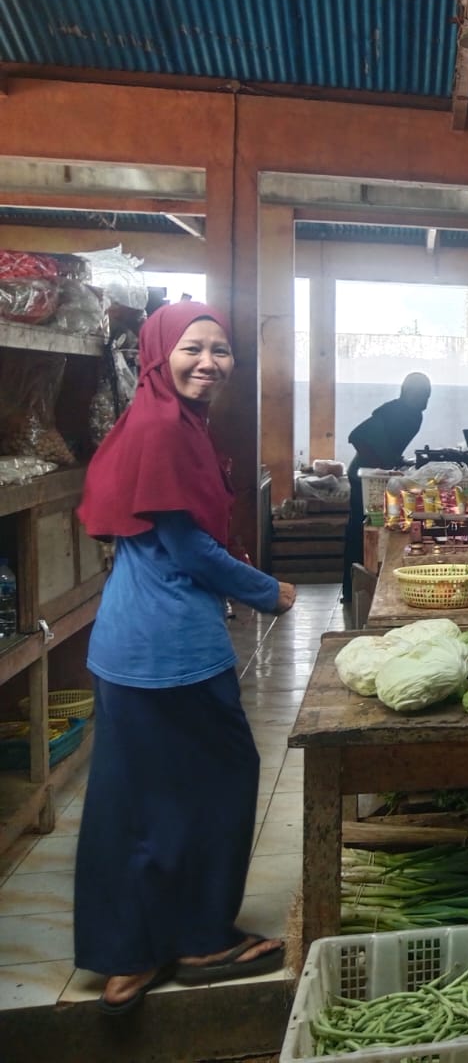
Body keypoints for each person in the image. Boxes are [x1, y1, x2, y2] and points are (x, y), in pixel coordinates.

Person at [74, 302, 297, 1014]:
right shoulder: (166, 426)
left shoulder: (158, 416)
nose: (209, 362)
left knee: (133, 798)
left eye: (221, 350)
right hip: (169, 647)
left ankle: (126, 955)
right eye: (192, 349)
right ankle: (199, 938)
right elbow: (186, 547)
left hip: (125, 639)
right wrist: (270, 591)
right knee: (221, 778)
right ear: (158, 353)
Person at [342, 372, 430, 602]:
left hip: (374, 475)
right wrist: (381, 464)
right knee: (359, 531)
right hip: (363, 476)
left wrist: (395, 461)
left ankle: (357, 590)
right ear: (408, 393)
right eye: (422, 394)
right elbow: (357, 436)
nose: (426, 400)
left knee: (363, 529)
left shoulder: (412, 415)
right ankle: (352, 591)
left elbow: (389, 443)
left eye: (428, 395)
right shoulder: (401, 412)